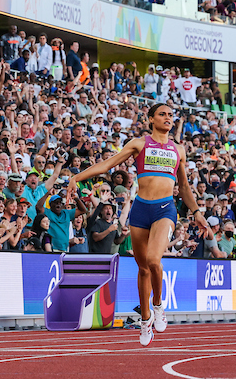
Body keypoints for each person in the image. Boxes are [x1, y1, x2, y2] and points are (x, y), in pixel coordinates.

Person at [67, 103, 208, 346]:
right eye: (162, 114)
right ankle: (145, 321)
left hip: (165, 208)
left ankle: (158, 306)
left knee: (154, 260)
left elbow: (183, 187)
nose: (167, 118)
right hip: (141, 209)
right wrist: (76, 177)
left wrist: (196, 211)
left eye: (170, 115)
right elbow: (108, 164)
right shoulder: (139, 144)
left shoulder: (179, 150)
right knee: (143, 268)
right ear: (151, 119)